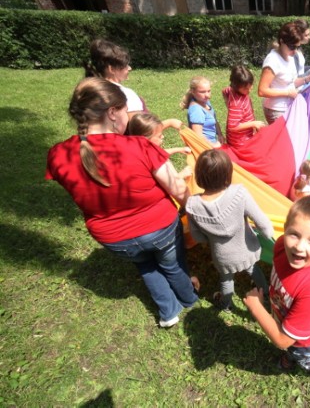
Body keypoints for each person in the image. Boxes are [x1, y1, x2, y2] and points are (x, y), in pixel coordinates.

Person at [46, 77, 198, 328]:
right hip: (160, 228)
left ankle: (168, 311)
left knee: (146, 265)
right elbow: (178, 188)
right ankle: (189, 299)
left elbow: (77, 189)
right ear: (112, 112)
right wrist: (191, 212)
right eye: (126, 110)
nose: (128, 116)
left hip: (115, 240)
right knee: (172, 263)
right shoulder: (139, 146)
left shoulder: (58, 154)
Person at [243, 196, 310, 382]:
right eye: (294, 234)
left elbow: (282, 340)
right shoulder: (281, 247)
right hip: (289, 324)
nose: (300, 247)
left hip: (308, 342)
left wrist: (256, 307)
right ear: (284, 229)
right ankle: (291, 356)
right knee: (292, 349)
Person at [186, 149, 274, 311]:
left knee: (226, 281)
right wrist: (271, 237)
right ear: (228, 173)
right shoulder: (239, 193)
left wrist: (212, 240)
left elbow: (197, 237)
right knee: (254, 269)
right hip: (247, 248)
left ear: (199, 175)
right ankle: (265, 293)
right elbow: (262, 222)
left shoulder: (192, 205)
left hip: (222, 256)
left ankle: (226, 305)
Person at [258, 22, 310, 124]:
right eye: (292, 47)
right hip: (276, 110)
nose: (295, 51)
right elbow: (262, 91)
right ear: (281, 41)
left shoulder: (289, 56)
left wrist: (306, 79)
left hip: (288, 107)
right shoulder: (272, 60)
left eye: (297, 47)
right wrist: (287, 93)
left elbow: (290, 82)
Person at [85, 39, 147, 120]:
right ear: (112, 69)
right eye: (125, 65)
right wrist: (168, 123)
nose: (130, 68)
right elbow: (140, 130)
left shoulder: (89, 91)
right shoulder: (127, 95)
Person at [222, 65, 266, 148]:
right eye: (246, 89)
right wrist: (253, 123)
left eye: (250, 86)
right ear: (236, 86)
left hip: (244, 137)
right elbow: (233, 126)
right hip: (240, 143)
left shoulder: (231, 90)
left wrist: (228, 103)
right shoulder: (237, 104)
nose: (249, 90)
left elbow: (224, 91)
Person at [180, 76, 223, 148]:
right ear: (193, 92)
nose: (207, 95)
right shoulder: (196, 110)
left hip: (212, 144)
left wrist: (220, 134)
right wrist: (214, 145)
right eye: (202, 92)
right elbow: (198, 135)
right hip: (204, 148)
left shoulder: (205, 102)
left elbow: (214, 120)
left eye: (209, 91)